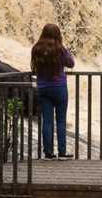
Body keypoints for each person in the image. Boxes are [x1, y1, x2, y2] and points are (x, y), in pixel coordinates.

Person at [31, 23, 75, 160]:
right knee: (61, 121)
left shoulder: (36, 49)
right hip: (59, 88)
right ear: (58, 35)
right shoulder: (60, 49)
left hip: (43, 88)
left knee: (47, 121)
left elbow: (33, 67)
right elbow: (71, 63)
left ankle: (48, 153)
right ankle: (62, 153)